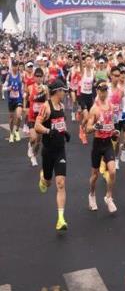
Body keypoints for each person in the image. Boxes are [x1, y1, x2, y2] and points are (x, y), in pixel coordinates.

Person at [35, 79, 71, 232]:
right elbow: (37, 126)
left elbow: (60, 124)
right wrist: (49, 131)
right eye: (64, 91)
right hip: (48, 151)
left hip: (60, 150)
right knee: (48, 182)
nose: (65, 94)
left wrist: (65, 132)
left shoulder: (61, 106)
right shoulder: (46, 107)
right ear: (57, 91)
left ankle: (61, 219)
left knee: (61, 183)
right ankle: (43, 177)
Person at [86, 79, 119, 213]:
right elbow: (87, 128)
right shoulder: (94, 109)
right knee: (95, 175)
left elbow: (111, 124)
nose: (103, 93)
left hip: (108, 143)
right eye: (101, 90)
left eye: (105, 90)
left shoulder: (110, 106)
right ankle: (92, 195)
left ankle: (108, 197)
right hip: (98, 143)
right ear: (97, 91)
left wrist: (114, 132)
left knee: (112, 171)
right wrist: (95, 126)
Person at [25, 67, 48, 166]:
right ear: (34, 77)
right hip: (31, 117)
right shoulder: (30, 87)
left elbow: (47, 101)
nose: (38, 78)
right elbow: (26, 97)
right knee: (33, 138)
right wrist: (25, 108)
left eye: (40, 76)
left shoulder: (45, 88)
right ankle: (30, 145)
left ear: (43, 78)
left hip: (41, 118)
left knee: (38, 142)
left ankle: (34, 156)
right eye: (37, 76)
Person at [6, 59, 23, 143]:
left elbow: (23, 86)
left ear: (18, 66)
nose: (15, 67)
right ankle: (11, 133)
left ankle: (16, 131)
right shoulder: (9, 76)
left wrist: (24, 94)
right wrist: (8, 88)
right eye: (13, 66)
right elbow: (4, 87)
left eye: (16, 66)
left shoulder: (20, 75)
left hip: (18, 99)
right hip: (11, 100)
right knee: (11, 119)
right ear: (11, 66)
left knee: (19, 116)